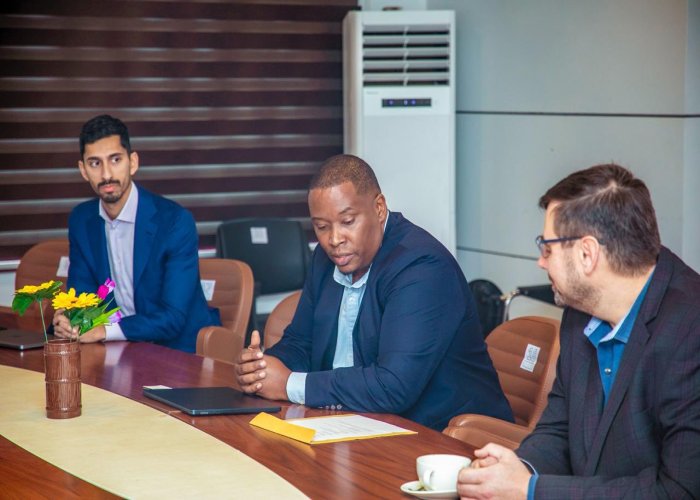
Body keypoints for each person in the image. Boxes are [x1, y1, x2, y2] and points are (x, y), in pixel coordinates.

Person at [457, 164, 700, 499]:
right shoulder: (581, 311)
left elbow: (681, 491)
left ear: (587, 254)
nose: (541, 262)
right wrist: (518, 470)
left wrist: (531, 490)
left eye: (547, 248)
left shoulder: (690, 331)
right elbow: (559, 430)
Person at [234, 154, 513, 430]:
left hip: (447, 437)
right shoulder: (325, 258)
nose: (334, 239)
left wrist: (288, 384)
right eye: (321, 227)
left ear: (379, 208)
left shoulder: (421, 266)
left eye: (347, 221)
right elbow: (301, 342)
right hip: (356, 423)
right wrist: (260, 370)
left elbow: (393, 386)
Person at [52, 114, 220, 353]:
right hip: (117, 349)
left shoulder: (174, 221)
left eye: (115, 160)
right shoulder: (82, 220)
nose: (106, 174)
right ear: (83, 170)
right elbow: (83, 297)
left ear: (133, 162)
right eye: (95, 163)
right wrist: (71, 320)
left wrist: (104, 331)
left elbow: (173, 318)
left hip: (178, 351)